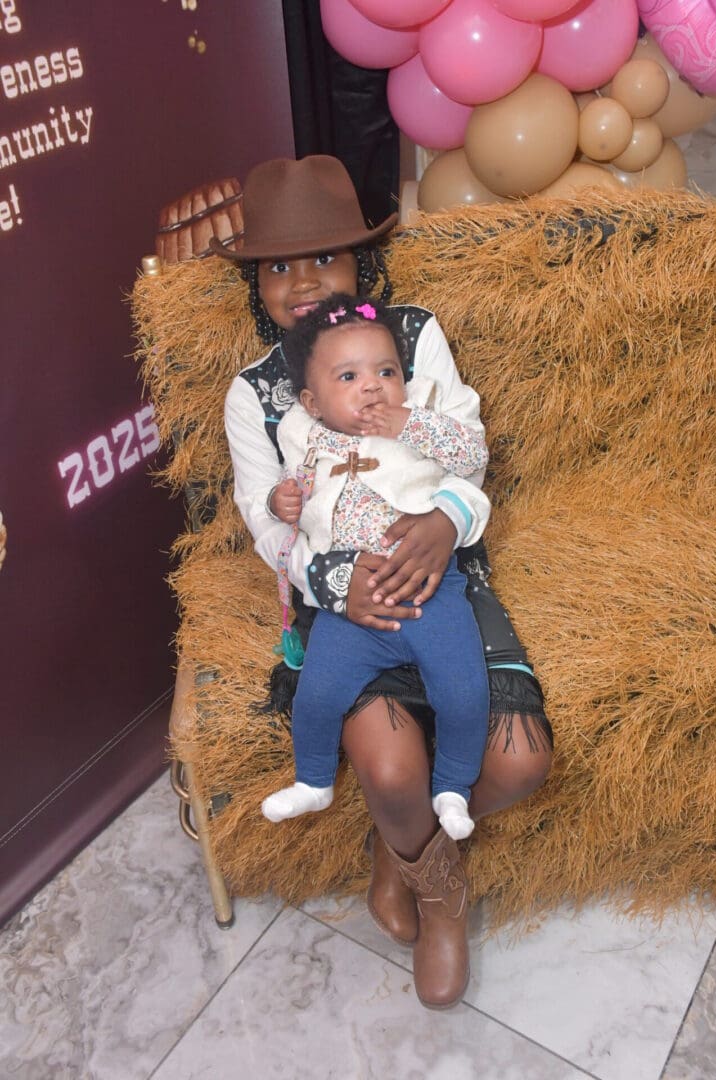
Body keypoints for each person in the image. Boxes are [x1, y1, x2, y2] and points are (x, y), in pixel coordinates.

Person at [211, 155, 553, 1010]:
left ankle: (395, 850)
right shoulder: (253, 395)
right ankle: (438, 891)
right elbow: (268, 523)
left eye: (323, 257)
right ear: (257, 283)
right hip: (343, 594)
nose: (302, 282)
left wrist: (445, 524)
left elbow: (465, 448)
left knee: (521, 762)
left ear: (359, 264)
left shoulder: (415, 334)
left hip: (445, 572)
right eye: (279, 266)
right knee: (394, 774)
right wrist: (336, 585)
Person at [261, 294, 491, 842]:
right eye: (349, 376)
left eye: (385, 371)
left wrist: (410, 424)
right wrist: (279, 501)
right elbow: (290, 497)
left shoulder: (417, 424)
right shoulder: (306, 436)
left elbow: (471, 455)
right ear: (313, 403)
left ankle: (453, 787)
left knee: (463, 690)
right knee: (316, 692)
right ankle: (313, 779)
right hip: (349, 604)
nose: (372, 386)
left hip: (428, 590)